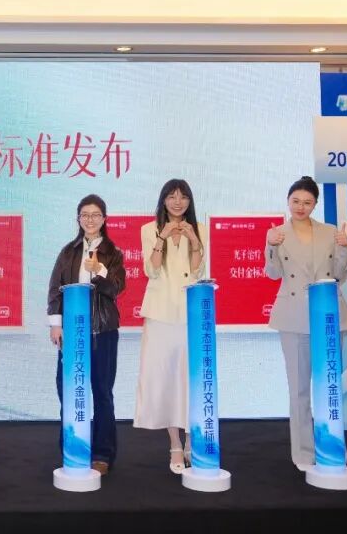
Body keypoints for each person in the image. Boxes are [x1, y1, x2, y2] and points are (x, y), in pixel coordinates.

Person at [264, 175, 347, 472]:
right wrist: (270, 246)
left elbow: (338, 274)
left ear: (315, 204)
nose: (300, 207)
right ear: (288, 201)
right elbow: (273, 273)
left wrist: (345, 248)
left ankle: (331, 447)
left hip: (327, 316)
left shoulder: (330, 232)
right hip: (293, 317)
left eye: (307, 202)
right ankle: (303, 453)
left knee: (329, 386)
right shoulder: (277, 233)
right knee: (299, 390)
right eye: (296, 201)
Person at [47, 194, 126, 475]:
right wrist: (56, 324)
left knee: (102, 392)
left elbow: (117, 288)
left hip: (102, 331)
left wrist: (100, 271)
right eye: (85, 215)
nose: (90, 220)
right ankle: (72, 447)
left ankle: (103, 454)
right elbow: (55, 289)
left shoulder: (113, 253)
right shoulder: (68, 252)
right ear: (78, 219)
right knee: (68, 389)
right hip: (71, 333)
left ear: (104, 219)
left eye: (95, 215)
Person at [133, 179, 206, 473]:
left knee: (190, 378)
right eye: (172, 196)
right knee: (165, 378)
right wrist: (161, 237)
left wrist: (195, 240)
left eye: (183, 197)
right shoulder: (148, 229)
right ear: (163, 200)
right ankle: (175, 444)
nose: (177, 202)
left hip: (190, 314)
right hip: (160, 313)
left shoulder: (199, 228)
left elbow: (199, 271)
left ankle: (192, 441)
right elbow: (150, 270)